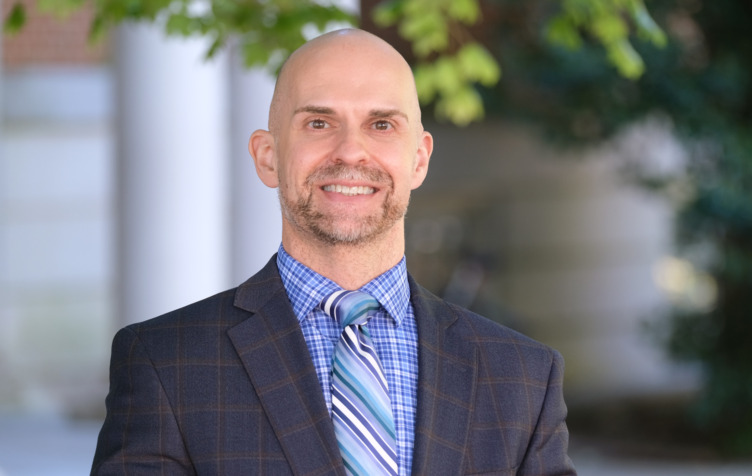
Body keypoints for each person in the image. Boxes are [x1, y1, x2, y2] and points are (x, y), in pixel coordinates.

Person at [91, 28, 576, 476]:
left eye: (382, 124)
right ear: (267, 156)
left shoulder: (521, 378)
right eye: (319, 122)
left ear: (419, 159)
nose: (350, 151)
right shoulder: (165, 363)